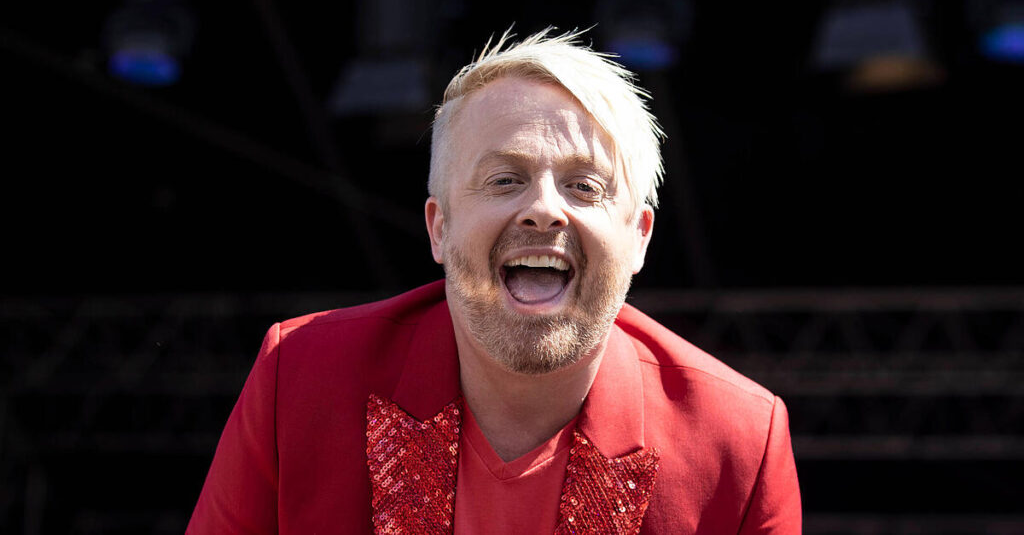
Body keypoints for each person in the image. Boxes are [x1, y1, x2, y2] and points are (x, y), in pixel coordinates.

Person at [187, 28, 801, 534]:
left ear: (640, 237)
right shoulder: (297, 378)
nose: (544, 210)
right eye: (505, 180)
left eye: (584, 186)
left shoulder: (739, 444)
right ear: (439, 228)